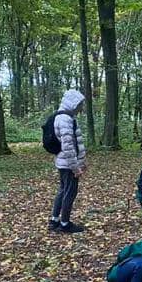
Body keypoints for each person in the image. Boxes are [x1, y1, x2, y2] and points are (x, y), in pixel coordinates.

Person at [50, 89, 88, 233]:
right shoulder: (65, 120)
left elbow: (74, 145)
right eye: (80, 104)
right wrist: (75, 167)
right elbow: (68, 146)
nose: (81, 107)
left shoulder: (63, 117)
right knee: (69, 193)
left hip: (63, 162)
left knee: (62, 191)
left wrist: (82, 161)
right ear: (73, 103)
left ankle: (54, 220)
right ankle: (65, 224)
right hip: (68, 164)